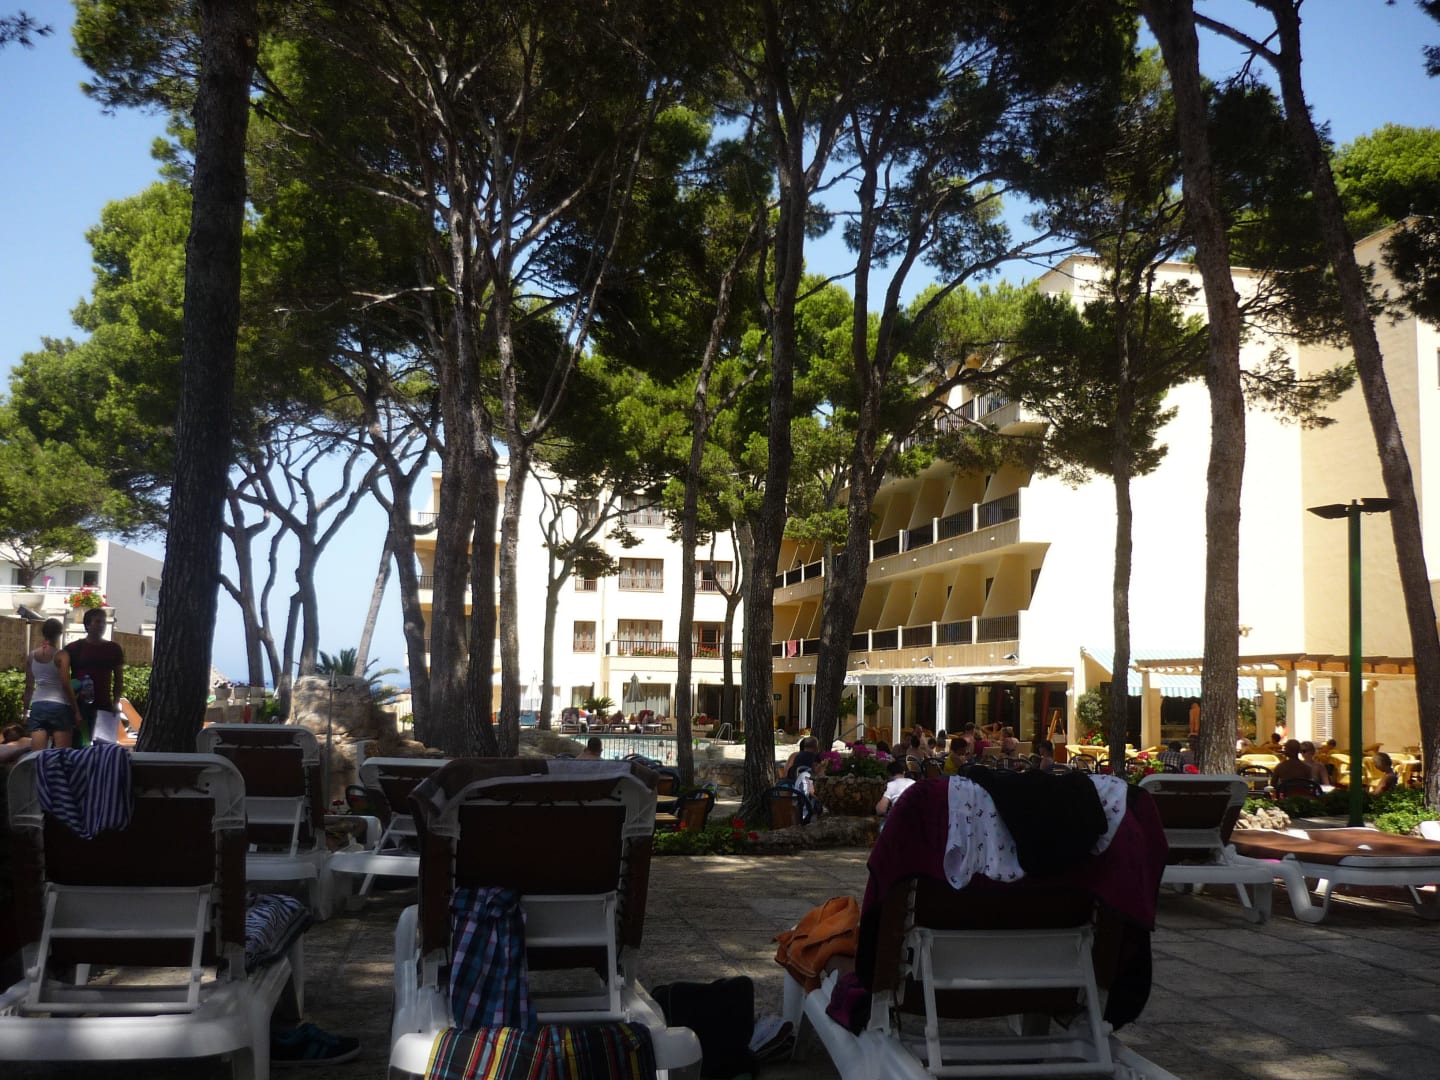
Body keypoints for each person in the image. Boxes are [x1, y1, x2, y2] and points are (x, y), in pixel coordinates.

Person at [63, 608, 125, 745]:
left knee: (104, 748)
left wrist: (116, 702)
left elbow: (119, 678)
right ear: (87, 625)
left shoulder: (113, 649)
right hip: (80, 708)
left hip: (105, 707)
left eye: (104, 622)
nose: (102, 625)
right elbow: (63, 678)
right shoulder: (73, 648)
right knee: (81, 747)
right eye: (97, 622)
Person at [21, 618, 81, 752]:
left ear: (43, 633)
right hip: (60, 707)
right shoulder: (62, 655)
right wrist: (76, 710)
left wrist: (25, 711)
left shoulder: (31, 656)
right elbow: (65, 683)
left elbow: (29, 686)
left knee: (38, 755)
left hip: (38, 706)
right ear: (60, 633)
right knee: (62, 755)